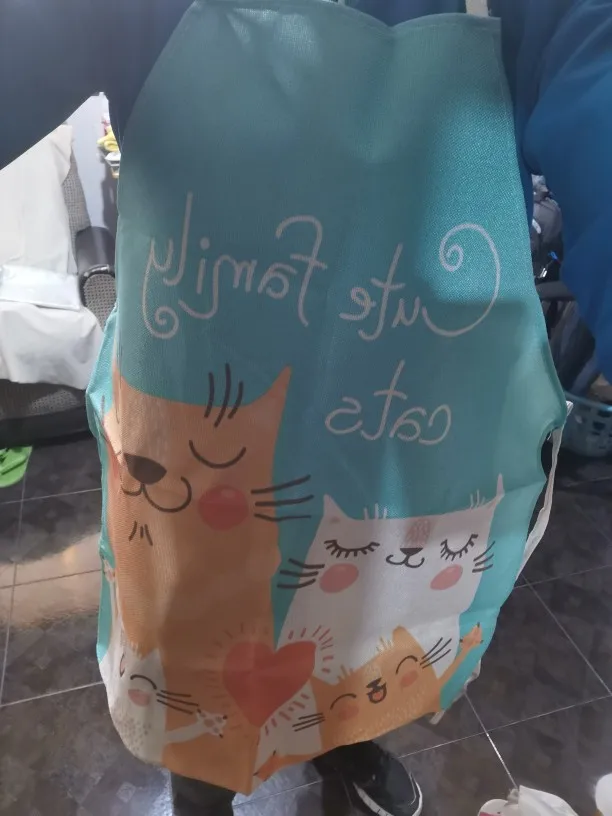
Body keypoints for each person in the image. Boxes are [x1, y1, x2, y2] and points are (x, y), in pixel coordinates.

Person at [1, 3, 611, 816]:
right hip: (204, 469)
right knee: (199, 671)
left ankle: (347, 744)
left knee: (355, 634)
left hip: (396, 453)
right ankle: (202, 790)